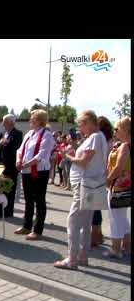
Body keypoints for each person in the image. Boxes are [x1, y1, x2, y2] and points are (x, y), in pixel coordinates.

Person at [54, 110, 108, 270]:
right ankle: (83, 256)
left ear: (89, 122)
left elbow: (84, 162)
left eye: (81, 124)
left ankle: (72, 258)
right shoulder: (97, 138)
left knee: (73, 221)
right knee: (85, 222)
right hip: (92, 184)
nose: (80, 128)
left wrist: (68, 157)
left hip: (86, 184)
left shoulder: (95, 137)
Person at [15, 109, 56, 240]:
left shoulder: (47, 135)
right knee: (28, 199)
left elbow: (42, 155)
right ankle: (26, 225)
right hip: (26, 171)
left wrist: (26, 164)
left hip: (40, 171)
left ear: (40, 120)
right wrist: (18, 160)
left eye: (32, 118)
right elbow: (20, 149)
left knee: (39, 200)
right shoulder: (29, 133)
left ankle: (37, 229)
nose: (30, 120)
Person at [104, 117, 130, 259]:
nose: (115, 131)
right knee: (122, 218)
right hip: (124, 186)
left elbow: (119, 167)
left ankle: (116, 249)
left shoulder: (125, 146)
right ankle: (126, 246)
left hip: (118, 187)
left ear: (125, 130)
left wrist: (108, 179)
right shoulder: (123, 145)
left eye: (117, 129)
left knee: (116, 219)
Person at [91, 116, 115, 247]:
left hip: (99, 176)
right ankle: (97, 235)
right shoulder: (106, 141)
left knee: (94, 207)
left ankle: (96, 236)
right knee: (95, 207)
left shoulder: (105, 142)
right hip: (100, 176)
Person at [0, 114, 23, 218]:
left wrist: (6, 143)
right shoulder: (3, 133)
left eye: (5, 121)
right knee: (1, 188)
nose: (3, 124)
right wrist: (0, 143)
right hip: (1, 165)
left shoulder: (18, 134)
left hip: (11, 166)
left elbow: (16, 149)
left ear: (11, 122)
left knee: (10, 189)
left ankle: (8, 211)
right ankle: (0, 210)